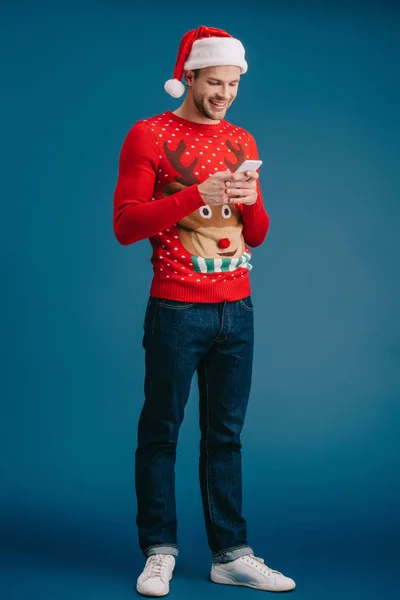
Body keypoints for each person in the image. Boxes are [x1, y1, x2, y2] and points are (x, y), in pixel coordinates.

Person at [113, 25, 296, 597]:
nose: (224, 94)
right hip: (175, 309)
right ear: (188, 77)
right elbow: (125, 226)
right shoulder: (148, 135)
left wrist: (247, 202)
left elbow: (258, 235)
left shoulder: (243, 139)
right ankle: (159, 551)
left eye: (234, 84)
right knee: (161, 433)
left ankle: (230, 554)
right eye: (214, 82)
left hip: (236, 309)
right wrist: (197, 195)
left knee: (226, 436)